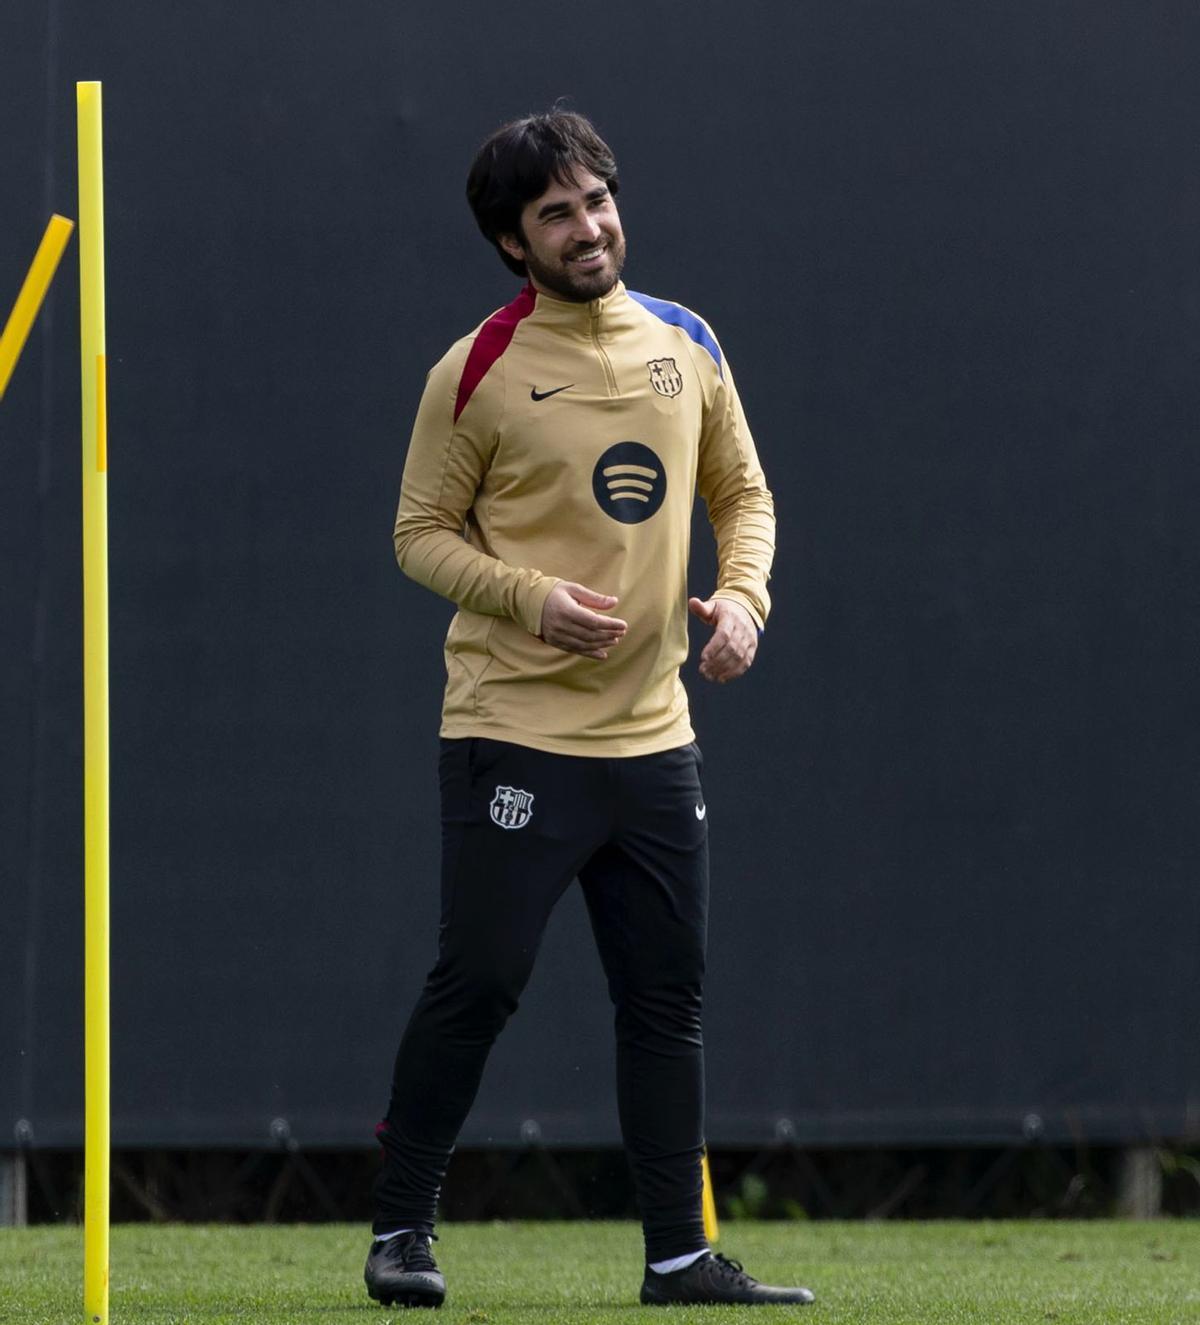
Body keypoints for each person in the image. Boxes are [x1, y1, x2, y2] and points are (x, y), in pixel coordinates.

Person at [365, 110, 813, 1310]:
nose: (589, 227)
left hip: (655, 741)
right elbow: (417, 533)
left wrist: (745, 602)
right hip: (512, 730)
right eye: (556, 214)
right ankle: (401, 1229)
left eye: (597, 201)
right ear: (513, 242)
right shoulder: (476, 369)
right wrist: (528, 596)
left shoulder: (686, 341)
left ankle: (679, 1256)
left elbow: (744, 493)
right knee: (480, 982)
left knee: (666, 1000)